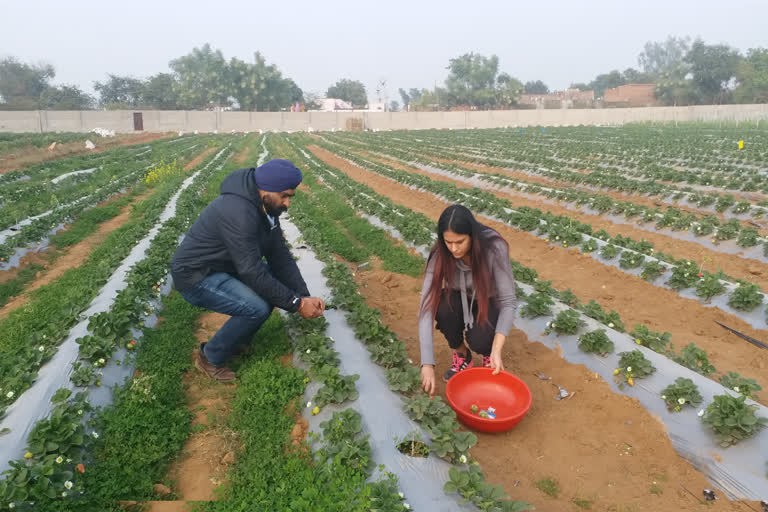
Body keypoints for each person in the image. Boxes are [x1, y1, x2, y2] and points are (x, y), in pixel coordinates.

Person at [171, 159, 325, 382]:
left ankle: (237, 339)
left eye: (290, 196)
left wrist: (303, 294)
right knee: (256, 307)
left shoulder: (266, 206)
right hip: (196, 274)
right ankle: (210, 357)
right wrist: (297, 305)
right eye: (284, 196)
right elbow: (251, 271)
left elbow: (278, 254)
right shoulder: (238, 212)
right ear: (267, 190)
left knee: (272, 287)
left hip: (225, 265)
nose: (287, 203)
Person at [418, 204, 517, 397]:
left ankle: (488, 354)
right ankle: (462, 355)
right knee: (441, 307)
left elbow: (508, 302)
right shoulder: (440, 254)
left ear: (472, 235)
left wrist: (497, 350)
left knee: (479, 340)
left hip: (488, 301)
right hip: (459, 299)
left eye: (460, 241)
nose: (454, 248)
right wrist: (427, 363)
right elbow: (425, 307)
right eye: (448, 242)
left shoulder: (493, 248)